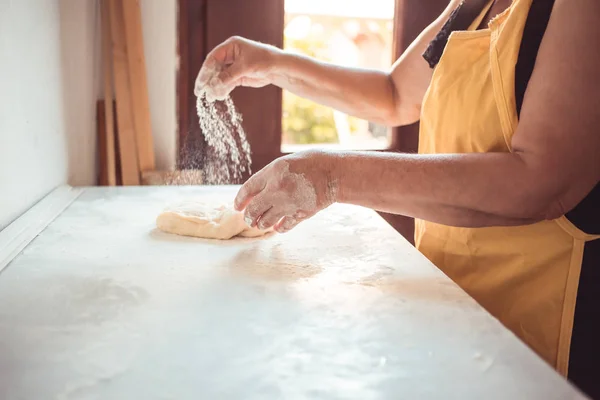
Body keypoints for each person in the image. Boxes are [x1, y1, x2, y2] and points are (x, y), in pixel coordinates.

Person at [195, 0, 599, 397]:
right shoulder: (472, 5)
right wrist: (271, 63)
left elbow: (542, 184)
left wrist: (334, 175)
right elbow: (394, 95)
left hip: (541, 334)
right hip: (450, 309)